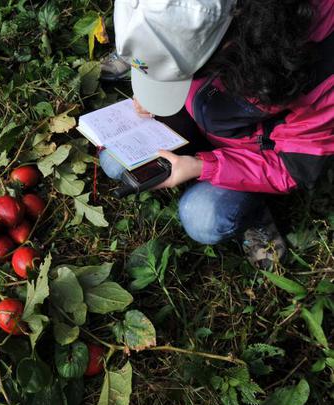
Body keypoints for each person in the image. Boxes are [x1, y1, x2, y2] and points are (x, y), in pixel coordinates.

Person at [100, 0, 334, 268]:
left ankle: (254, 210)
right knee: (114, 160)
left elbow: (291, 167)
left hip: (248, 153)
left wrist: (202, 166)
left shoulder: (321, 72)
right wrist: (152, 83)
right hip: (194, 108)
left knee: (203, 218)